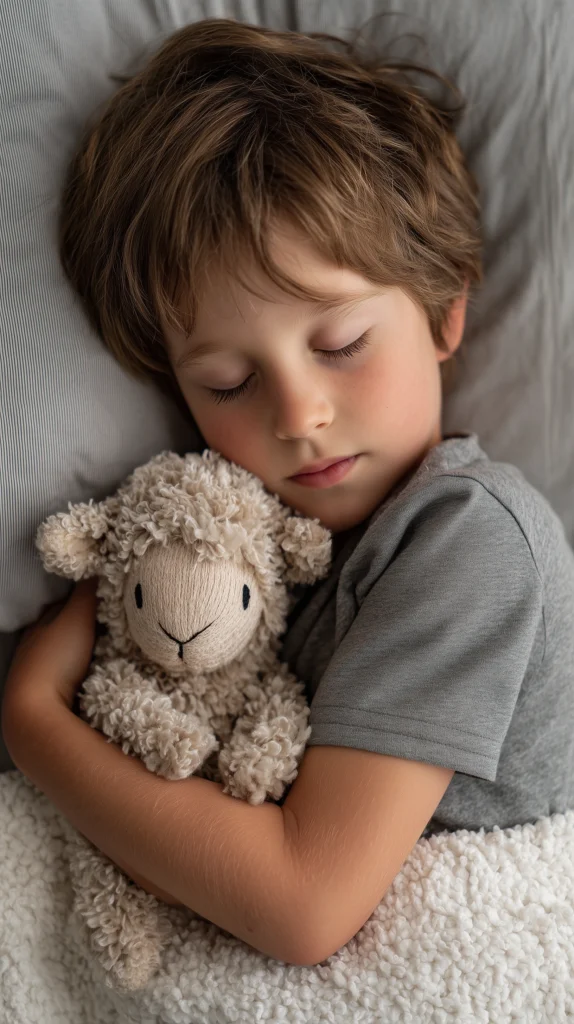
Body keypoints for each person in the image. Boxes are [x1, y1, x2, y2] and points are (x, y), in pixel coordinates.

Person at [3, 18, 574, 968]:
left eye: (342, 344)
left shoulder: (472, 541)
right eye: (228, 383)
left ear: (444, 309)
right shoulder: (242, 554)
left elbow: (304, 906)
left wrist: (33, 720)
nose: (300, 414)